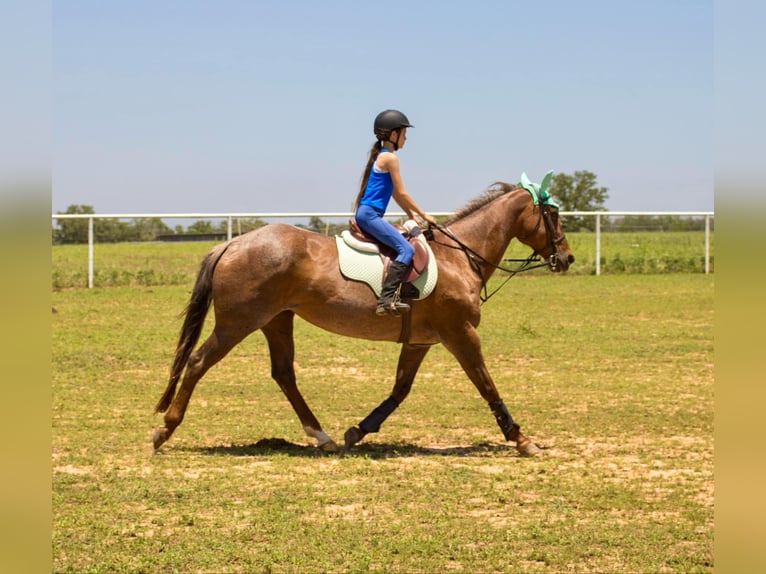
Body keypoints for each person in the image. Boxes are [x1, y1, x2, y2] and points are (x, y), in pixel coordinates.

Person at [353, 109, 437, 316]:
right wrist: (424, 215)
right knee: (406, 250)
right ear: (393, 135)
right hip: (369, 215)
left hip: (369, 214)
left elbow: (397, 197)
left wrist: (412, 217)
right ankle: (386, 299)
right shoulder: (390, 158)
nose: (406, 139)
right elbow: (402, 192)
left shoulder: (383, 156)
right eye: (404, 134)